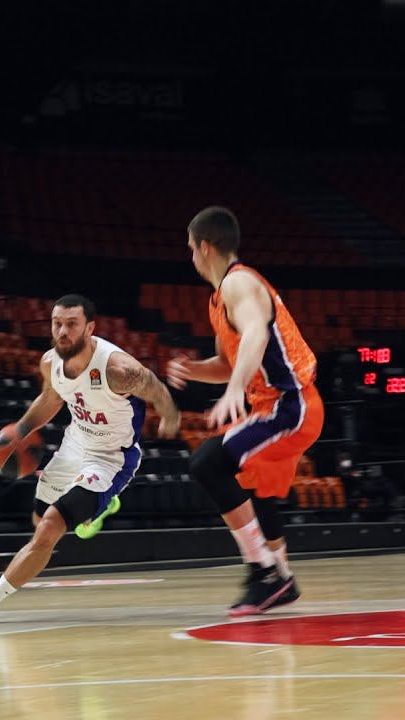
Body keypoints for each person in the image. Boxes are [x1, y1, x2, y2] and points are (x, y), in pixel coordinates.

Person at [0, 295, 180, 624]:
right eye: (57, 323)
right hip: (73, 446)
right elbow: (51, 397)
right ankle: (96, 511)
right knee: (39, 519)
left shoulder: (118, 370)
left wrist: (170, 416)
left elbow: (156, 388)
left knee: (49, 527)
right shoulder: (50, 362)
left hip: (110, 458)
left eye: (72, 324)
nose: (62, 331)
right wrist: (21, 431)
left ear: (90, 328)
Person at [167, 206, 324, 616]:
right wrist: (192, 369)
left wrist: (236, 388)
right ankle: (281, 578)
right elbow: (227, 363)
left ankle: (264, 571)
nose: (191, 257)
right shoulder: (219, 299)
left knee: (207, 462)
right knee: (250, 485)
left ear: (205, 247)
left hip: (291, 405)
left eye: (191, 248)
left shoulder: (239, 283)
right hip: (278, 406)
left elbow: (256, 332)